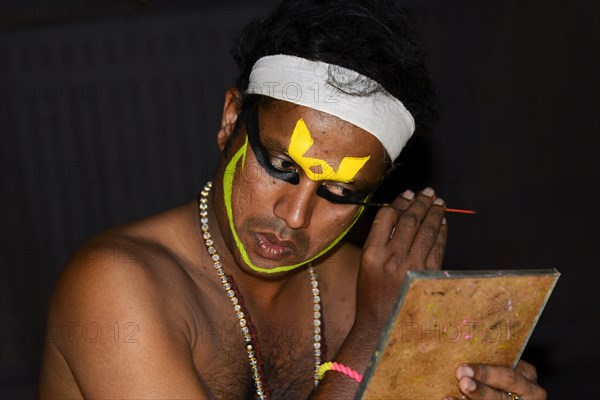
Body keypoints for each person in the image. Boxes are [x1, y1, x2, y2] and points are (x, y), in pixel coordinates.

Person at [39, 1, 547, 399]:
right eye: (282, 167)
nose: (295, 215)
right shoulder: (114, 286)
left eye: (340, 193)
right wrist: (375, 335)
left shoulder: (359, 286)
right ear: (230, 120)